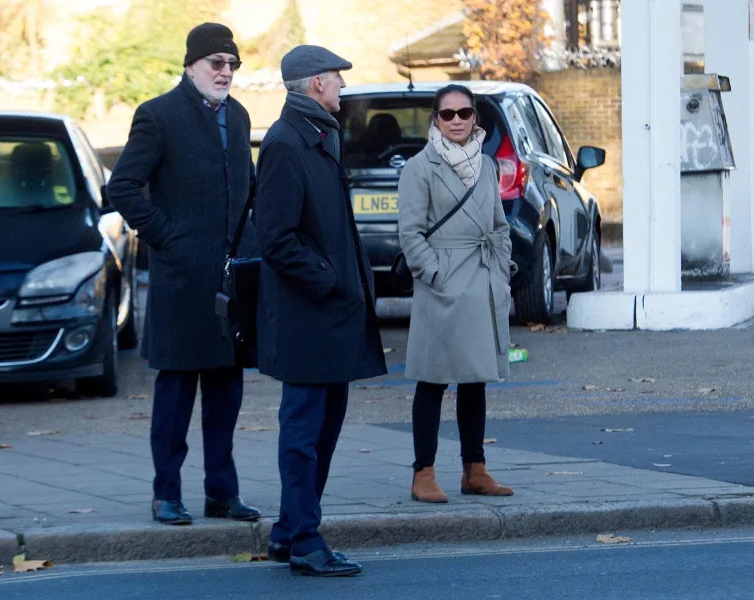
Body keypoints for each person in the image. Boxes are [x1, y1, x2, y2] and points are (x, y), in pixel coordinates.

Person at [106, 22, 260, 526]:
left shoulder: (237, 117)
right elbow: (123, 187)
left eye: (233, 65)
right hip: (180, 277)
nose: (226, 72)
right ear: (191, 65)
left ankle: (222, 492)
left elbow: (246, 189)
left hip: (229, 281)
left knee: (226, 393)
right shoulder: (159, 115)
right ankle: (165, 493)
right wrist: (166, 237)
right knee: (175, 395)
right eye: (217, 63)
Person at [254, 45, 387, 577]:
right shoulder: (287, 143)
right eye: (336, 79)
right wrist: (330, 281)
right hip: (308, 316)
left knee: (324, 427)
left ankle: (289, 532)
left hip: (331, 315)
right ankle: (306, 541)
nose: (342, 88)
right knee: (305, 433)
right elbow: (277, 238)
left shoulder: (319, 135)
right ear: (315, 85)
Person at [396, 84, 516, 504]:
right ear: (435, 119)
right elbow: (409, 232)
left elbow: (499, 224)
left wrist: (499, 270)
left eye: (464, 112)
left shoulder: (486, 164)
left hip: (480, 277)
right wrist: (433, 273)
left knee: (475, 377)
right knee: (433, 378)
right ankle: (423, 473)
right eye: (447, 114)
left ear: (475, 117)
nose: (457, 120)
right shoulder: (420, 167)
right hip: (442, 282)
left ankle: (474, 469)